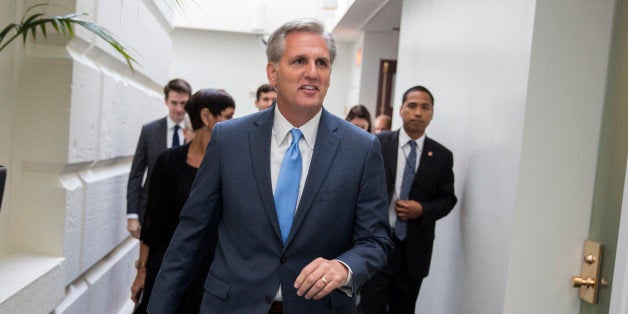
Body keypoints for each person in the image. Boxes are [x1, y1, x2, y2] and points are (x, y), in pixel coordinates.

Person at [148, 18, 392, 314]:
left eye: (322, 63)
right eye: (300, 60)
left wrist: (344, 267)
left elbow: (375, 240)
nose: (312, 73)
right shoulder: (229, 140)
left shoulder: (362, 148)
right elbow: (191, 234)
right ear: (273, 72)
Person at [130, 89, 235, 313]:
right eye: (227, 117)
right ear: (207, 117)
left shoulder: (230, 164)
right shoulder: (169, 161)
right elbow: (152, 222)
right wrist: (142, 269)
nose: (232, 124)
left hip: (210, 270)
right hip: (167, 266)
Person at [358, 86, 457, 314]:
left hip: (413, 252)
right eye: (412, 105)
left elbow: (447, 199)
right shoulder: (377, 144)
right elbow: (360, 190)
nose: (418, 112)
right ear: (401, 110)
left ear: (432, 114)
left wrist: (422, 209)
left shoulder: (441, 156)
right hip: (377, 244)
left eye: (425, 107)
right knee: (369, 308)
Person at [126, 78, 192, 238]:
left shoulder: (196, 133)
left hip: (184, 214)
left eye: (183, 103)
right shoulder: (150, 131)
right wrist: (132, 215)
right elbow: (136, 174)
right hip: (151, 212)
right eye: (174, 103)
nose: (178, 109)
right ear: (166, 101)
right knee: (149, 262)